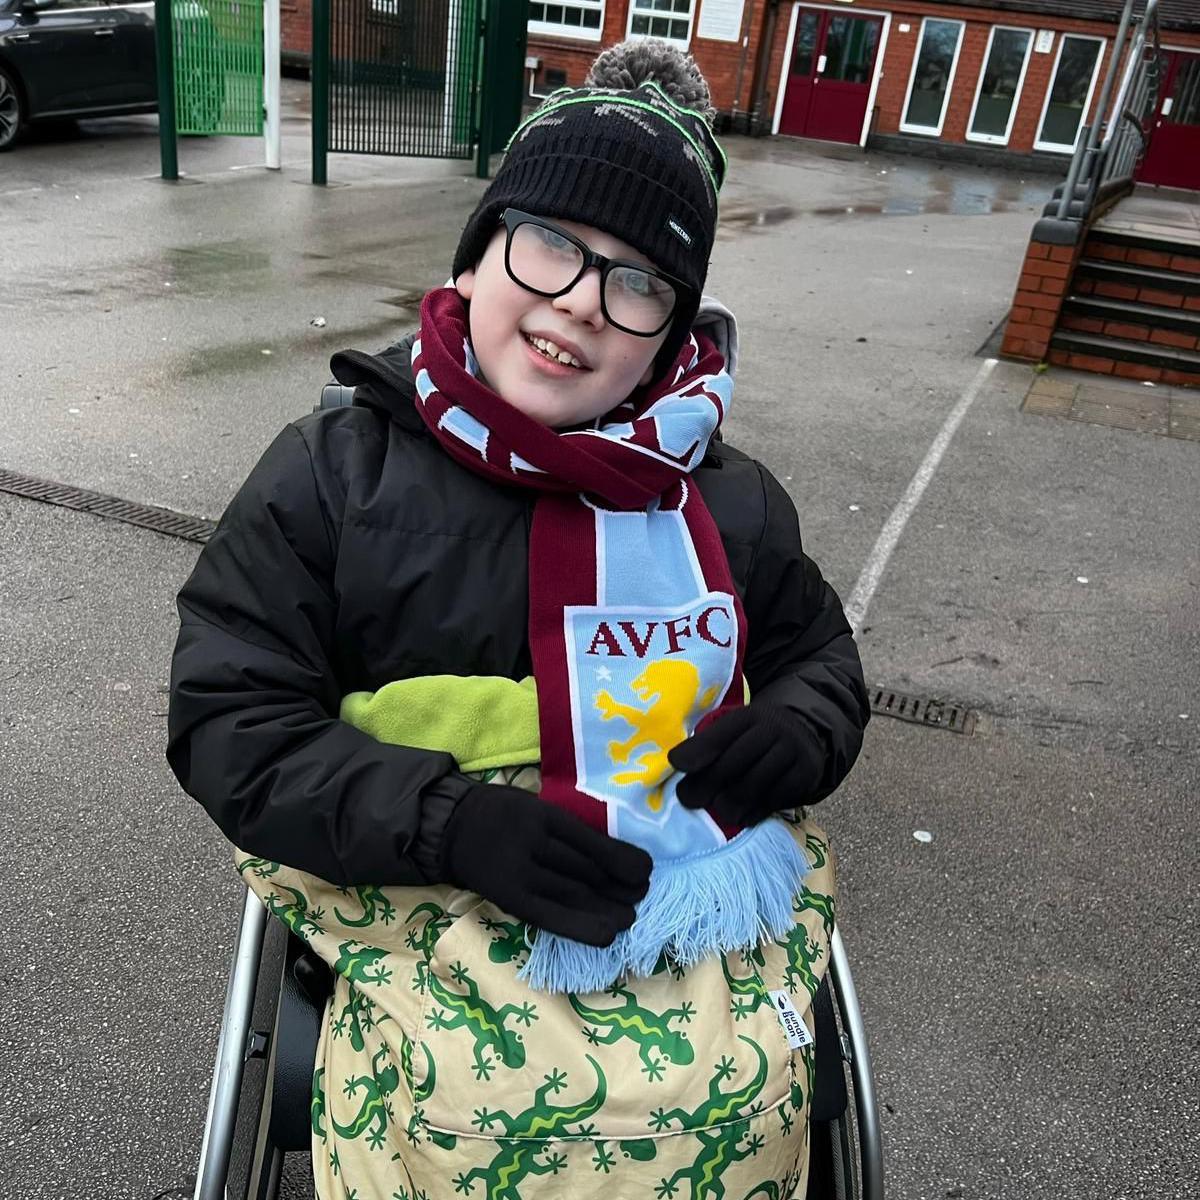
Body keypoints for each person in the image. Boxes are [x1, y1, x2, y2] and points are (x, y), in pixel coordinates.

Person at [168, 38, 868, 1200]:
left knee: (738, 1096)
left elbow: (821, 659)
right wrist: (450, 825)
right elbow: (228, 717)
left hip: (676, 904)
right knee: (469, 1105)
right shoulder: (332, 474)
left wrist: (801, 725)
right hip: (419, 892)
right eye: (552, 246)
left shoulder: (728, 503)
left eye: (639, 282)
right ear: (484, 247)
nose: (580, 308)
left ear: (674, 332)